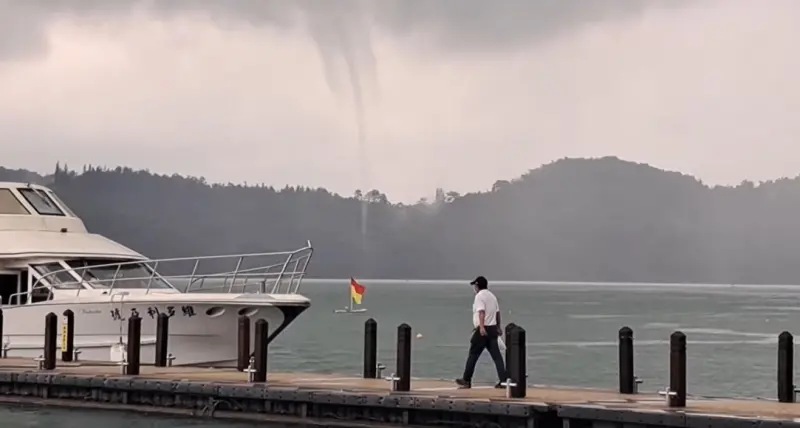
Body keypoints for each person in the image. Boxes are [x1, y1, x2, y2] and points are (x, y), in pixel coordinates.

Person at [455, 276, 508, 389]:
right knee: (497, 357)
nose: (474, 288)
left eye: (475, 285)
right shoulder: (492, 296)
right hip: (493, 329)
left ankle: (466, 380)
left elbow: (481, 312)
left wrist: (482, 327)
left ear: (478, 286)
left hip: (483, 330)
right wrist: (498, 327)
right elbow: (497, 313)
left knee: (473, 354)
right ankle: (503, 381)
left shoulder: (479, 296)